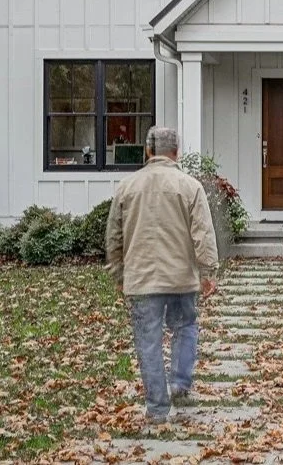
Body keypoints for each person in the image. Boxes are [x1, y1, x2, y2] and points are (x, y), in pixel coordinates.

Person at [106, 126, 220, 424]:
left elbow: (113, 238)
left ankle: (157, 408)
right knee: (185, 326)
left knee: (149, 342)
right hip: (182, 277)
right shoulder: (190, 186)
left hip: (142, 279)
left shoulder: (127, 187)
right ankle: (180, 382)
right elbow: (203, 234)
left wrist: (120, 275)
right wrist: (207, 271)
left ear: (148, 151)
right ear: (176, 152)